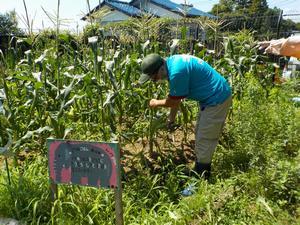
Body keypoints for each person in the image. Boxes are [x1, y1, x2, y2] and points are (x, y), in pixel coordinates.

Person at [139, 54, 232, 180]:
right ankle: (199, 170)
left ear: (160, 69)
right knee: (200, 134)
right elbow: (176, 98)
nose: (154, 81)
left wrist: (155, 103)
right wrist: (171, 119)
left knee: (205, 139)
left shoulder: (176, 72)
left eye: (153, 77)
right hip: (211, 98)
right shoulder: (172, 63)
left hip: (216, 99)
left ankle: (201, 178)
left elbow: (173, 102)